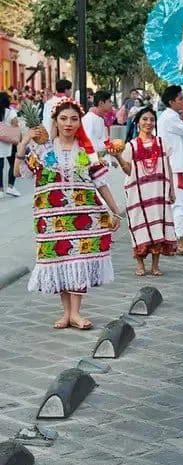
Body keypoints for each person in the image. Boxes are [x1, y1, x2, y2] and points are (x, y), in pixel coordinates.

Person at [14, 97, 122, 329]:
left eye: (74, 119)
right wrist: (24, 142)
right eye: (63, 118)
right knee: (61, 260)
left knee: (79, 261)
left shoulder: (86, 151)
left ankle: (76, 313)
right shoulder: (43, 150)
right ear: (55, 121)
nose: (69, 123)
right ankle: (66, 313)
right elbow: (18, 172)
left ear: (79, 122)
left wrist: (116, 211)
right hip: (53, 220)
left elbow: (101, 183)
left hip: (84, 218)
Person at [110, 107, 177, 276]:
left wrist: (172, 189)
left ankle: (155, 265)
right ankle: (140, 264)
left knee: (158, 225)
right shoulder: (130, 146)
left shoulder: (162, 143)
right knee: (139, 227)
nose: (149, 123)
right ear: (138, 122)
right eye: (145, 119)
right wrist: (117, 156)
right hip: (138, 193)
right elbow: (127, 170)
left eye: (152, 120)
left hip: (158, 191)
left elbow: (167, 166)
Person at [156, 85, 183, 255]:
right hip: (175, 167)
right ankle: (180, 242)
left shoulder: (171, 117)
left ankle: (172, 240)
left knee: (174, 204)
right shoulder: (170, 118)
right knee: (180, 204)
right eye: (180, 98)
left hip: (173, 165)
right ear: (171, 101)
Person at [0, 91, 21, 198]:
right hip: (10, 142)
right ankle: (10, 186)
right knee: (14, 163)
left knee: (0, 165)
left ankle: (0, 189)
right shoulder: (11, 112)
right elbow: (15, 125)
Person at [82, 90, 113, 155]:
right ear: (101, 103)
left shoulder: (100, 118)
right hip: (93, 159)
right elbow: (87, 142)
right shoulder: (90, 119)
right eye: (109, 102)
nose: (111, 104)